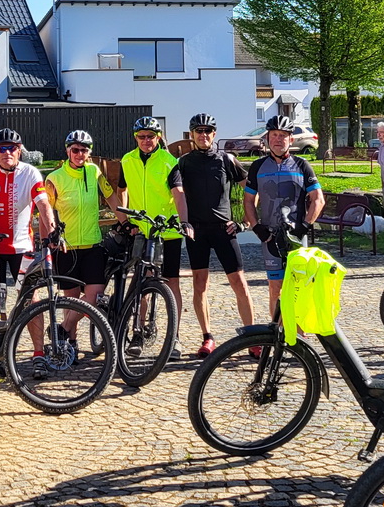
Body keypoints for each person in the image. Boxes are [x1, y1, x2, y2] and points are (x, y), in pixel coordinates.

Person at [0, 128, 58, 374]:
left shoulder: (30, 173)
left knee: (31, 298)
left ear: (20, 150)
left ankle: (38, 354)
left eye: (12, 148)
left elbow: (43, 204)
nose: (7, 153)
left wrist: (50, 231)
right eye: (1, 149)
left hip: (21, 245)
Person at [168, 113, 253, 356]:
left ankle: (252, 336)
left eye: (208, 131)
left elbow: (249, 189)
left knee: (239, 282)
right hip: (197, 231)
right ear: (191, 135)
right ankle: (207, 337)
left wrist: (244, 222)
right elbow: (179, 192)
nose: (203, 135)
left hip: (223, 229)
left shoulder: (227, 159)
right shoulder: (183, 162)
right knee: (199, 284)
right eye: (198, 131)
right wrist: (184, 222)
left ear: (214, 134)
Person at [244, 115, 326, 317]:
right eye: (274, 135)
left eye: (283, 135)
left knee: (299, 286)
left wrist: (305, 226)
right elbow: (248, 201)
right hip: (270, 236)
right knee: (275, 288)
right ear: (267, 138)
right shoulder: (257, 167)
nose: (278, 139)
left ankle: (298, 334)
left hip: (296, 235)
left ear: (291, 139)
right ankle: (276, 333)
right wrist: (256, 227)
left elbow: (318, 199)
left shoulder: (302, 165)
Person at [114, 116, 185, 334]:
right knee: (141, 282)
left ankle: (174, 335)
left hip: (167, 231)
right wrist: (124, 220)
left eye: (151, 136)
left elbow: (179, 194)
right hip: (141, 230)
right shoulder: (127, 160)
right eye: (141, 137)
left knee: (171, 282)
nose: (146, 140)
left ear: (159, 137)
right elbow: (121, 190)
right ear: (135, 137)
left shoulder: (169, 161)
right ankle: (139, 328)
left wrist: (184, 222)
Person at [44, 130, 114, 346]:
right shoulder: (54, 178)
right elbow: (46, 210)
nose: (79, 154)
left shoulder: (95, 173)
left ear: (89, 152)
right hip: (67, 247)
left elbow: (111, 197)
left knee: (94, 296)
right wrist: (50, 238)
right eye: (75, 150)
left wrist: (125, 221)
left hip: (93, 244)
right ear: (67, 151)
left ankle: (62, 330)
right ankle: (70, 344)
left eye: (84, 150)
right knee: (71, 300)